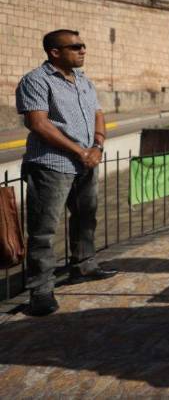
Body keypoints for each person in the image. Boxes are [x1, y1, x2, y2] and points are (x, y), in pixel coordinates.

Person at [15, 29, 117, 317]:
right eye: (75, 47)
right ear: (54, 52)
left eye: (83, 45)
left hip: (86, 161)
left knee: (86, 217)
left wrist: (96, 145)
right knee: (44, 229)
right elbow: (38, 123)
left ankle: (84, 266)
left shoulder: (84, 80)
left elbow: (98, 114)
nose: (82, 50)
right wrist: (78, 150)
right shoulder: (36, 80)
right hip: (51, 164)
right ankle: (41, 290)